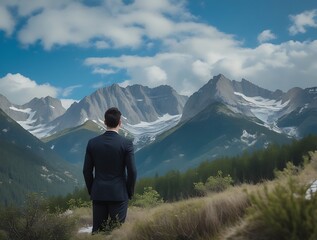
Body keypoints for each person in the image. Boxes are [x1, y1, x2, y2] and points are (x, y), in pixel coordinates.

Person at [83, 107, 137, 234]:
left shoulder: (92, 143)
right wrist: (129, 192)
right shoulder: (126, 143)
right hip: (119, 194)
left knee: (98, 232)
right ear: (120, 123)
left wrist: (93, 190)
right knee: (117, 232)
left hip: (98, 193)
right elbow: (132, 171)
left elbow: (86, 171)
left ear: (104, 122)